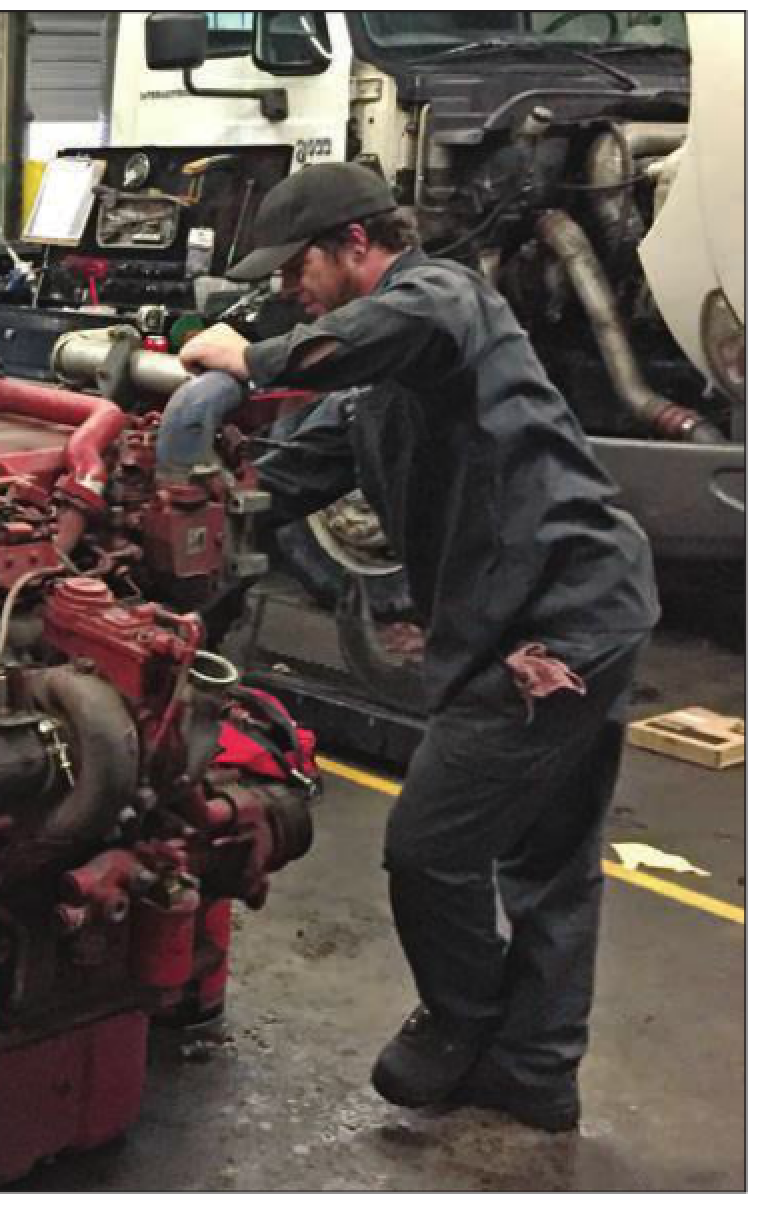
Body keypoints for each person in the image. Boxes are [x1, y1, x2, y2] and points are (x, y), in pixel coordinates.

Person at [177, 162, 658, 1133]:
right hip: (574, 609)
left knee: (430, 848)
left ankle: (461, 1022)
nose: (288, 291)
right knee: (550, 859)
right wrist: (172, 519)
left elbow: (383, 331)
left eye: (296, 270)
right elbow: (277, 487)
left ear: (356, 243)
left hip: (559, 627)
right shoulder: (375, 387)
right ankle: (532, 1074)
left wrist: (252, 360)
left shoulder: (444, 299)